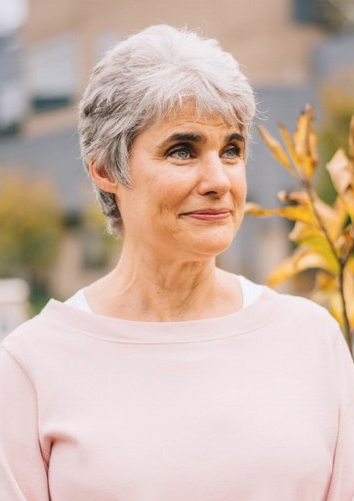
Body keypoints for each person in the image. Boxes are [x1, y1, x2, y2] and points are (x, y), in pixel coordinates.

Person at [0, 24, 354, 501]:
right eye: (182, 150)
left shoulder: (312, 340)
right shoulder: (31, 365)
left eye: (231, 149)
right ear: (105, 168)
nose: (218, 180)